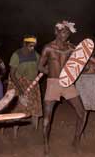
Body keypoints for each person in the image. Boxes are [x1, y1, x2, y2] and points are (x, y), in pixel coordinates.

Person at [38, 21, 87, 156]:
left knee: (82, 113)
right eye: (63, 32)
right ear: (56, 32)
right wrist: (51, 72)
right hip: (53, 84)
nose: (65, 35)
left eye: (67, 32)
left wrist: (81, 55)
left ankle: (76, 141)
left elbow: (79, 65)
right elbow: (40, 67)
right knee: (47, 119)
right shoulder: (48, 48)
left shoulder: (71, 48)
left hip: (68, 84)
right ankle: (46, 145)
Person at [8, 35, 42, 138]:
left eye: (34, 46)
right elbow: (12, 75)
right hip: (18, 82)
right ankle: (14, 134)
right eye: (30, 46)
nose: (32, 48)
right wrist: (20, 90)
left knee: (35, 107)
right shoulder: (16, 55)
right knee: (18, 109)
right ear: (24, 44)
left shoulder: (35, 55)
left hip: (33, 83)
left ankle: (34, 130)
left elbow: (41, 67)